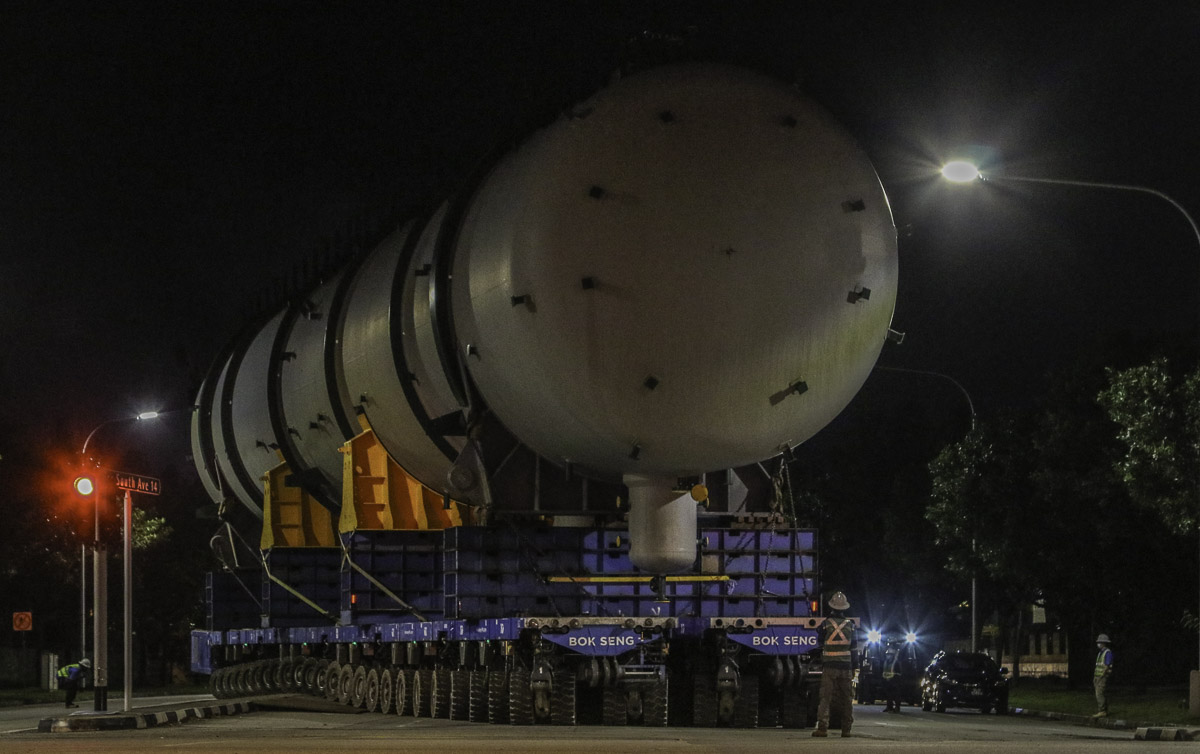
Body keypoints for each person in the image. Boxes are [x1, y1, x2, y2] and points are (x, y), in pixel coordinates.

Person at [813, 591, 858, 737]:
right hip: (846, 667)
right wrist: (855, 667)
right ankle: (846, 729)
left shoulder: (825, 624)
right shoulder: (851, 626)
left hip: (829, 667)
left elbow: (820, 643)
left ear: (831, 607)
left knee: (825, 697)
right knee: (847, 699)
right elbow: (854, 649)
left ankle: (822, 728)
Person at [1092, 634, 1113, 718]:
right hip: (1098, 676)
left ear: (1104, 643)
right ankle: (1103, 710)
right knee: (1100, 693)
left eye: (1100, 642)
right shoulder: (1101, 653)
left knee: (1099, 694)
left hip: (1102, 676)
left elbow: (1107, 665)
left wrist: (1102, 675)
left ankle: (1102, 711)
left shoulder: (1107, 652)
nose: (1098, 644)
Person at [882, 641, 903, 713]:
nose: (888, 656)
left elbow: (899, 672)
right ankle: (889, 707)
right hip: (888, 681)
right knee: (888, 695)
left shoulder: (896, 662)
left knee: (896, 695)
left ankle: (897, 707)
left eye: (890, 655)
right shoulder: (886, 662)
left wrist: (895, 678)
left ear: (893, 655)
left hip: (895, 682)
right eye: (887, 654)